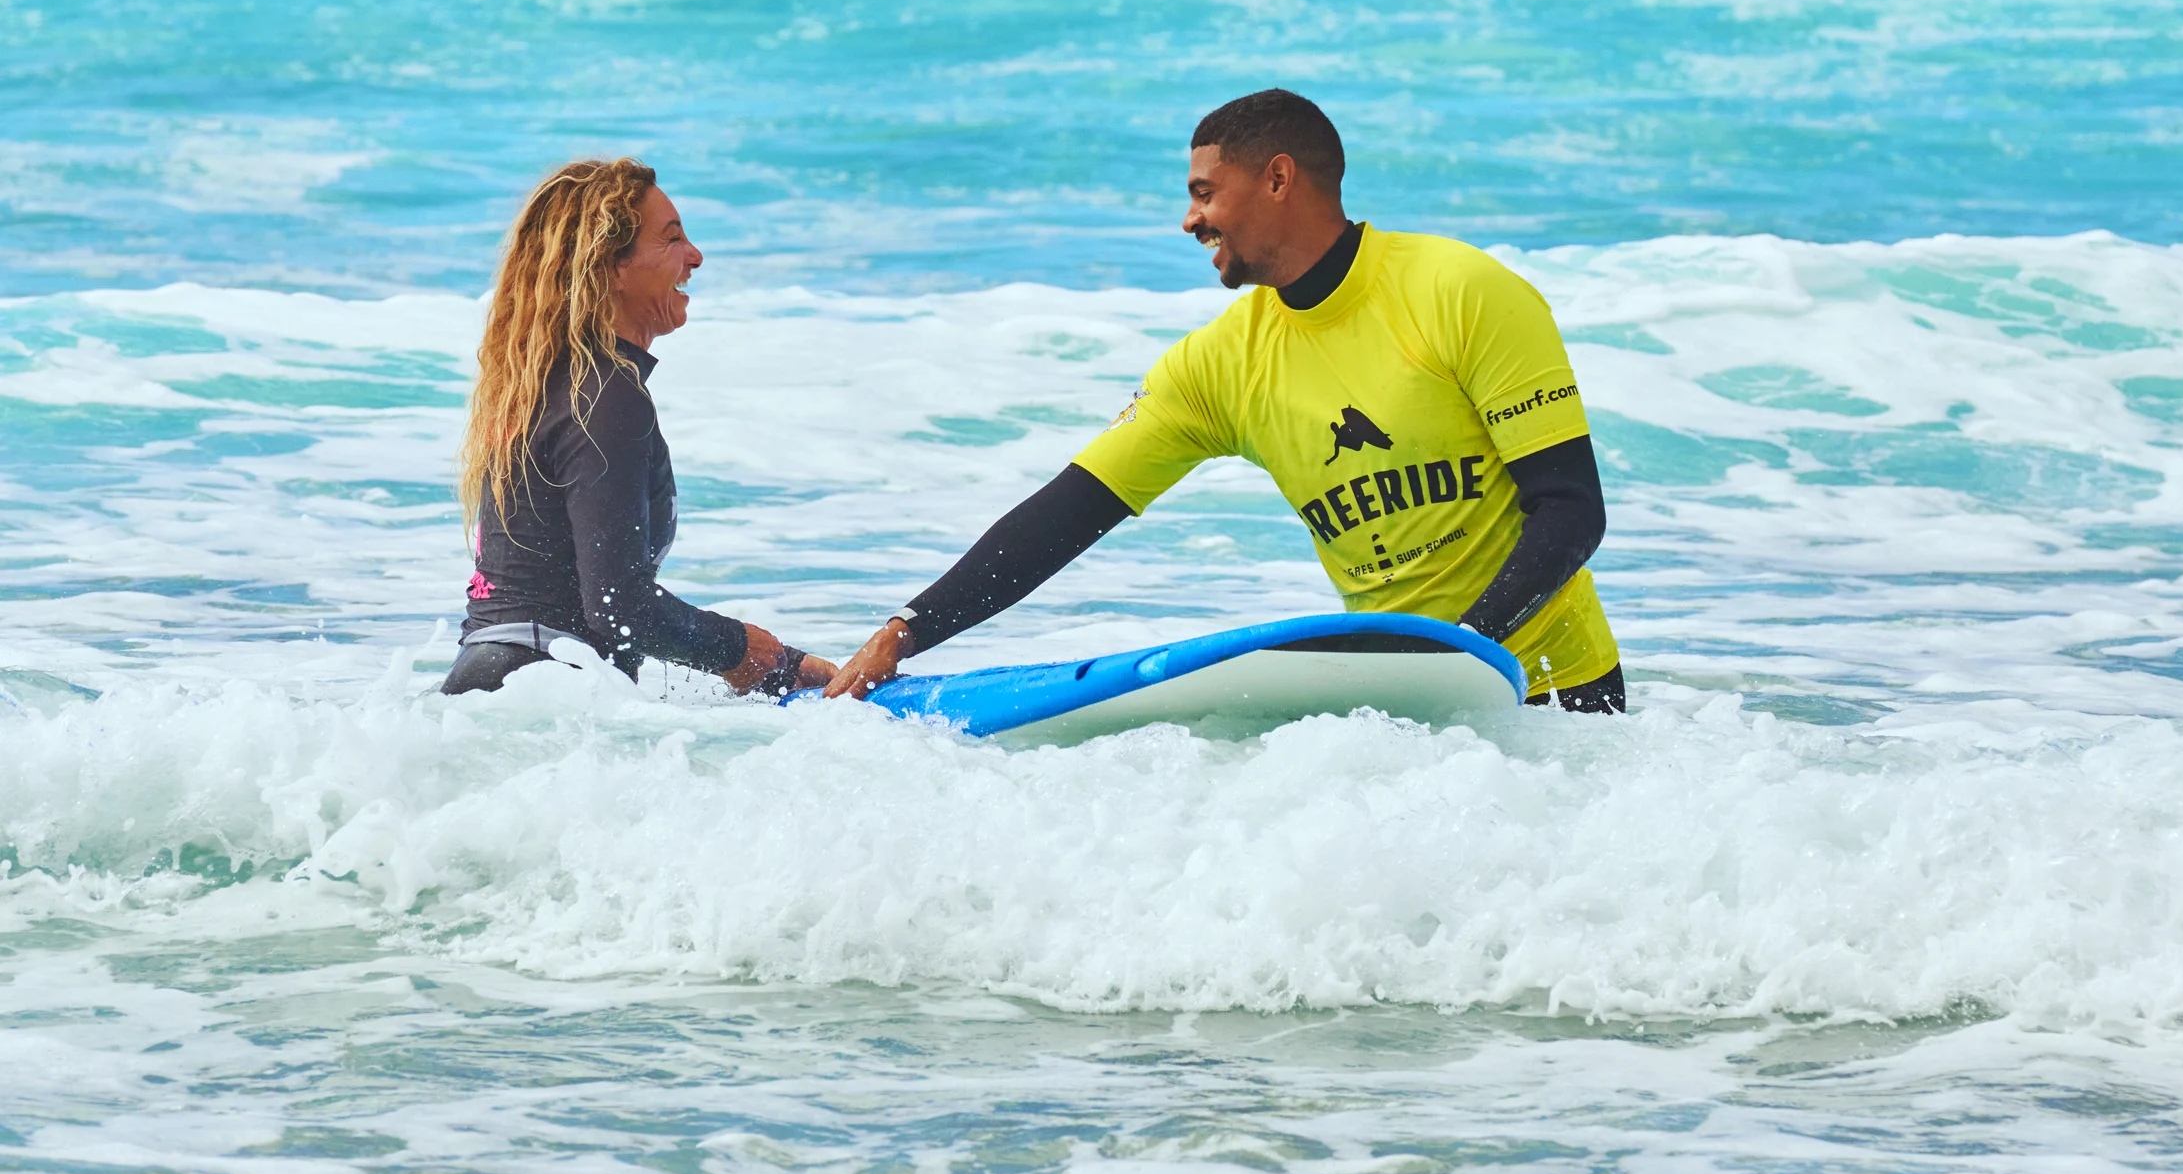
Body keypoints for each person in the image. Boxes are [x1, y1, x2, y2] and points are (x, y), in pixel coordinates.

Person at [825, 88, 1624, 710]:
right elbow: (1066, 515)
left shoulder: (1460, 291)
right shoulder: (1220, 365)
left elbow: (1568, 509)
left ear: (1277, 178)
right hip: (1407, 692)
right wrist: (908, 631)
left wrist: (1464, 652)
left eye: (1205, 192)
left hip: (1557, 683)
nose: (1189, 218)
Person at [445, 156, 835, 698]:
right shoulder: (605, 397)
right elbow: (617, 605)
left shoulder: (543, 387)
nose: (695, 257)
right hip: (538, 692)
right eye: (673, 239)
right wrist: (755, 654)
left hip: (503, 687)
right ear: (611, 265)